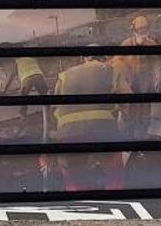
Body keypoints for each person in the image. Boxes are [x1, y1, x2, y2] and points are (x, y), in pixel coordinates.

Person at [47, 54, 123, 191]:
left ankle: (76, 202)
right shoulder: (110, 70)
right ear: (104, 58)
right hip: (102, 129)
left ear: (83, 59)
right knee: (113, 168)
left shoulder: (64, 75)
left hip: (68, 132)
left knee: (72, 174)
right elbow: (128, 101)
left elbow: (54, 109)